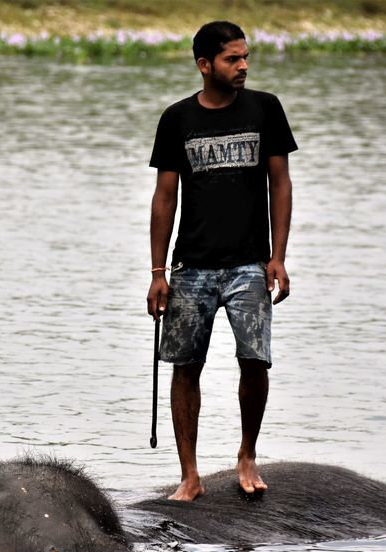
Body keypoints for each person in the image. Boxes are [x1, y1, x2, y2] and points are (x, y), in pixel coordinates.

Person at [146, 21, 297, 501]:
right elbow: (165, 196)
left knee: (255, 361)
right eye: (233, 59)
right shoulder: (177, 119)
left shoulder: (265, 109)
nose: (244, 66)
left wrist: (278, 256)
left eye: (246, 57)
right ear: (204, 64)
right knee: (185, 365)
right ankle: (189, 475)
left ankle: (246, 454)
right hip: (190, 267)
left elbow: (281, 183)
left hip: (249, 265)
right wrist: (157, 273)